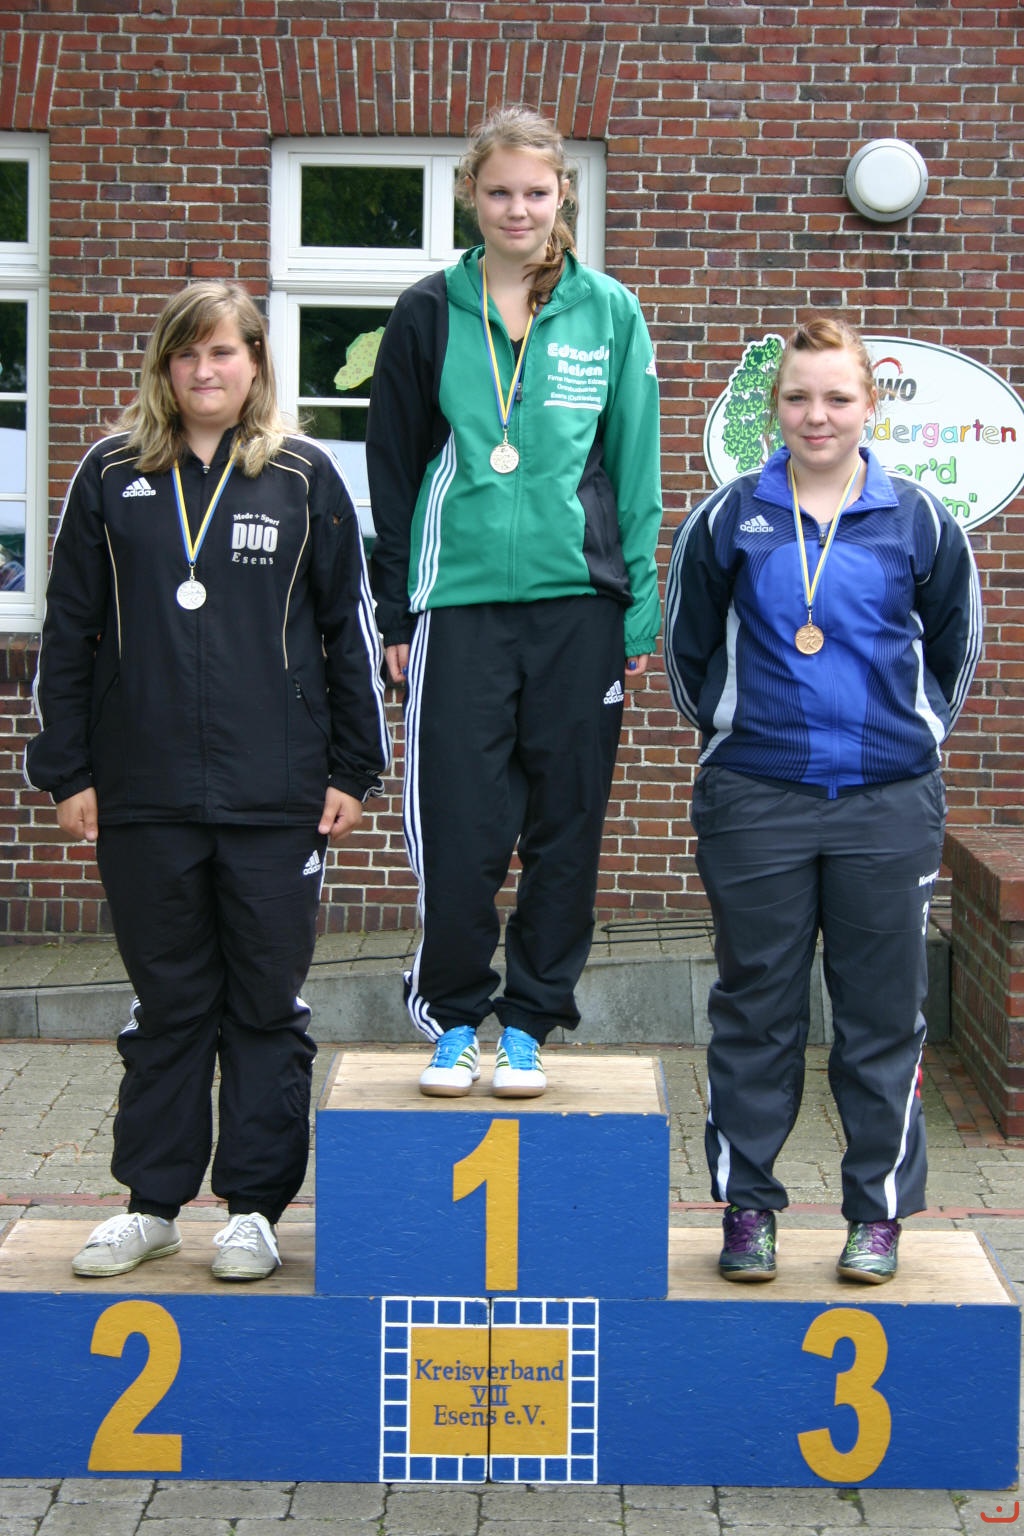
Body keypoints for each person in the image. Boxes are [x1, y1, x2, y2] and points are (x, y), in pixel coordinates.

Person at [26, 281, 390, 1281]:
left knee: (265, 1006)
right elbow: (70, 628)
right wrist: (66, 769)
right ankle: (151, 1205)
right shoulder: (111, 473)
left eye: (223, 351)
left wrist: (355, 767)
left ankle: (255, 1211)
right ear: (164, 366)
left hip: (277, 793)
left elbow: (348, 627)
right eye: (186, 353)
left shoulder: (305, 474)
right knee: (168, 1004)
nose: (203, 370)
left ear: (256, 362)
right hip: (140, 790)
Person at [665, 315, 982, 1284]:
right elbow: (688, 650)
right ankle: (748, 1210)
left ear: (868, 405)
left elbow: (954, 648)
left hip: (886, 805)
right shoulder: (729, 518)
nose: (817, 415)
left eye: (837, 397)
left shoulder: (918, 521)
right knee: (755, 1012)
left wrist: (910, 739)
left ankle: (875, 1215)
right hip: (757, 800)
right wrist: (736, 737)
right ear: (776, 406)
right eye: (799, 397)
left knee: (882, 1018)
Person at [366, 105, 662, 1099]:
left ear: (562, 193)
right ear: (470, 195)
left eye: (536, 191)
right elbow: (392, 476)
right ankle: (454, 1018)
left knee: (566, 827)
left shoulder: (608, 312)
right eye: (499, 192)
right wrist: (397, 613)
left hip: (579, 606)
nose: (518, 209)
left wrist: (636, 613)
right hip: (457, 606)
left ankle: (532, 1022)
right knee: (461, 825)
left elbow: (636, 472)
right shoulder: (427, 311)